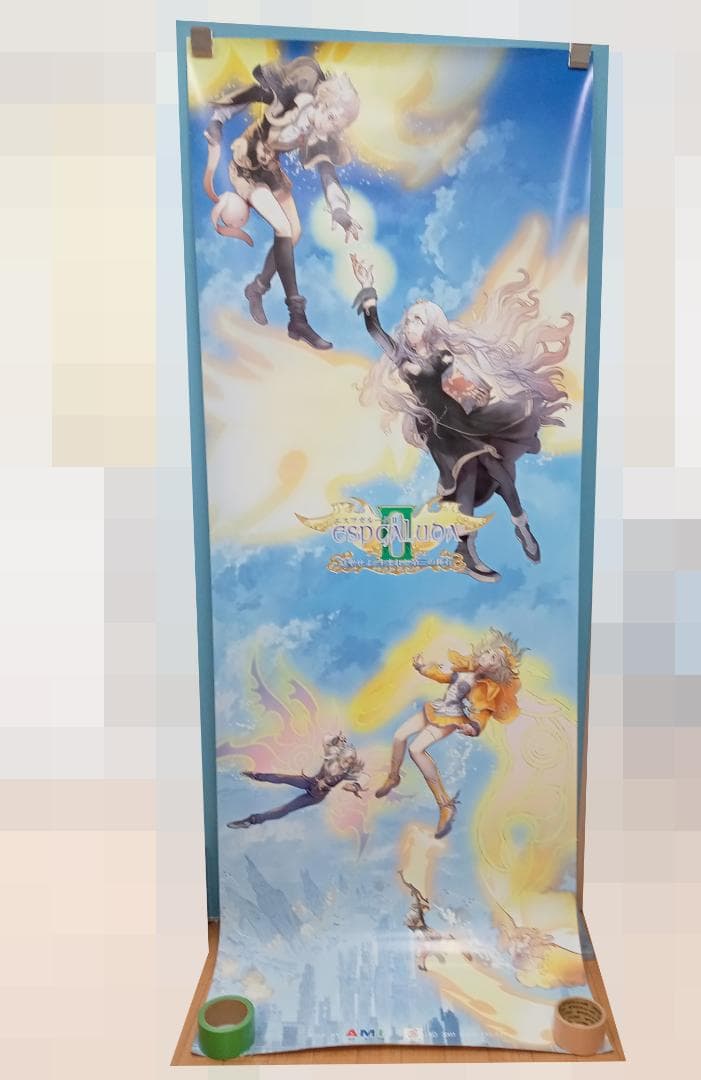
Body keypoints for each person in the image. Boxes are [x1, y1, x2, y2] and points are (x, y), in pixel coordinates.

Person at [351, 253, 573, 581]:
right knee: (465, 476)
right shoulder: (402, 358)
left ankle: (521, 525)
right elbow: (374, 329)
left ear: (430, 326)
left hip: (465, 422)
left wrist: (475, 394)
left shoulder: (443, 356)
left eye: (417, 320)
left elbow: (464, 390)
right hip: (440, 433)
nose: (409, 326)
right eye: (408, 320)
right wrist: (367, 288)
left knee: (500, 475)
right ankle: (465, 549)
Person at [204, 56, 362, 349]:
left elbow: (327, 172)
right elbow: (252, 94)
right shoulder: (291, 101)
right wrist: (217, 121)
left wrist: (339, 208)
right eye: (331, 119)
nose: (330, 129)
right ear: (322, 104)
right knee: (283, 229)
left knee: (294, 233)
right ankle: (297, 319)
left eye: (336, 126)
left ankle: (257, 288)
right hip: (245, 165)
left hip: (270, 170)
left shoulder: (319, 134)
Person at [375, 630, 524, 838]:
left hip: (450, 718)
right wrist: (422, 668)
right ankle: (393, 777)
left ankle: (445, 805)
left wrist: (473, 727)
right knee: (399, 735)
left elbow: (482, 713)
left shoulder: (485, 688)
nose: (486, 655)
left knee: (415, 750)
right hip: (437, 708)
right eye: (489, 652)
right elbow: (443, 675)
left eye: (493, 657)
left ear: (496, 668)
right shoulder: (465, 669)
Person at [227, 733, 367, 828]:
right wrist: (337, 739)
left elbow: (365, 776)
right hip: (309, 781)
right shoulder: (332, 754)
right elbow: (326, 739)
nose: (346, 764)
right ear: (341, 756)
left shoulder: (348, 773)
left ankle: (251, 821)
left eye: (350, 762)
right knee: (282, 778)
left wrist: (356, 785)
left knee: (286, 809)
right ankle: (256, 776)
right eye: (346, 760)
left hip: (315, 795)